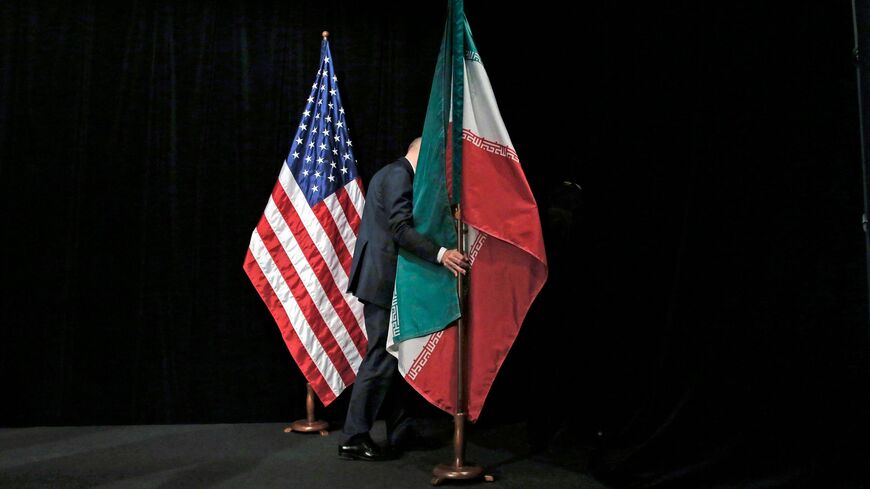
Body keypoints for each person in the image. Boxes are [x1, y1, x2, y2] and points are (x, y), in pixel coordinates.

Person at [338, 137, 468, 461]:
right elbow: (400, 229)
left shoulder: (393, 174)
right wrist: (441, 254)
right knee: (381, 357)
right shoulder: (399, 175)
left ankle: (400, 428)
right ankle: (353, 436)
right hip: (382, 280)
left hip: (384, 278)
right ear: (420, 153)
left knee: (393, 357)